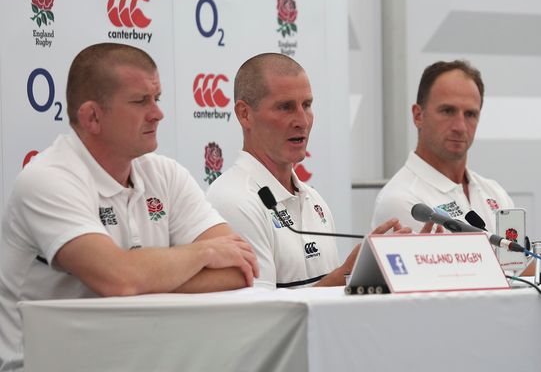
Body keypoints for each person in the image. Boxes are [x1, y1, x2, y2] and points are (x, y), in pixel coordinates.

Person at [0, 43, 258, 371]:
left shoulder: (164, 173)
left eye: (157, 98)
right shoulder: (46, 179)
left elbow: (240, 269)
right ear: (92, 116)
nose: (158, 113)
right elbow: (118, 279)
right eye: (140, 101)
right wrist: (204, 254)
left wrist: (141, 275)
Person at [207, 53, 411, 289]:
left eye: (307, 105)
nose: (302, 121)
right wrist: (345, 275)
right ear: (245, 114)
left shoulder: (314, 200)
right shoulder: (233, 200)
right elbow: (259, 317)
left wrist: (381, 272)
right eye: (285, 107)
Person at [371, 60, 514, 235]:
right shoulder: (401, 199)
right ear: (418, 116)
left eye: (470, 114)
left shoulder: (495, 193)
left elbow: (522, 263)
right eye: (447, 111)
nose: (460, 127)